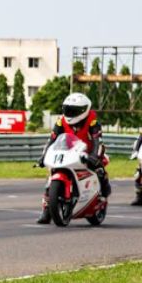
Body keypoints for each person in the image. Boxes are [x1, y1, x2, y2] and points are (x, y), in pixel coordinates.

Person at [36, 92, 110, 224]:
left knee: (99, 169)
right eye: (67, 109)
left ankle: (103, 194)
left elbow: (97, 141)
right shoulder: (61, 121)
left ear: (84, 110)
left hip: (88, 152)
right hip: (68, 151)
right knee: (50, 176)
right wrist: (43, 156)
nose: (69, 113)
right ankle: (47, 211)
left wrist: (94, 156)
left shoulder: (92, 121)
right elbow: (52, 139)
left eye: (73, 110)